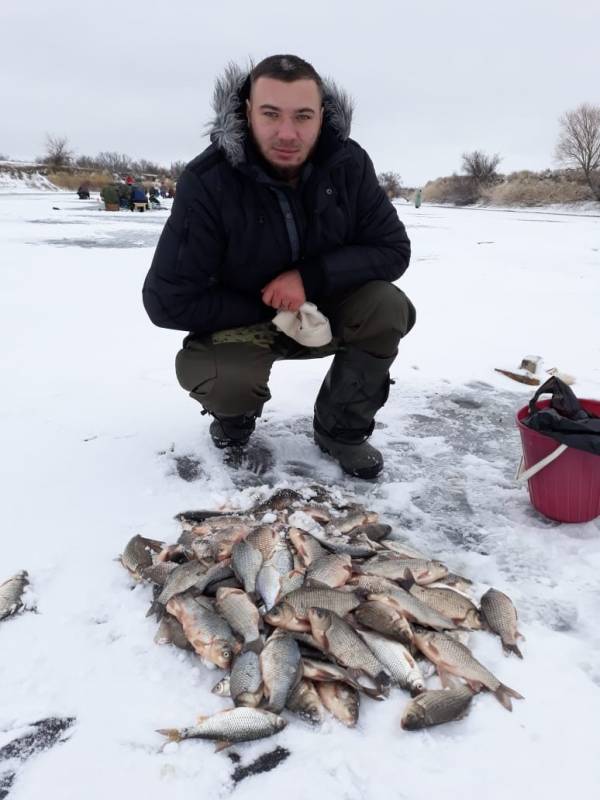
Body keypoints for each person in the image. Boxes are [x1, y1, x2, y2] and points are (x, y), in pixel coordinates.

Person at [143, 54, 415, 479]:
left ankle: (340, 430)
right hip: (244, 322)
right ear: (247, 111)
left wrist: (309, 278)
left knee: (385, 305)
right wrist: (266, 303)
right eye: (271, 114)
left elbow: (393, 249)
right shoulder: (207, 179)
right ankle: (234, 420)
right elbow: (166, 300)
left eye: (303, 116)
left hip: (322, 314)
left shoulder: (348, 163)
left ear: (322, 116)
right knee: (226, 378)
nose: (288, 133)